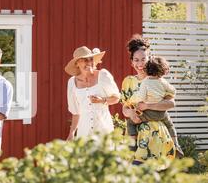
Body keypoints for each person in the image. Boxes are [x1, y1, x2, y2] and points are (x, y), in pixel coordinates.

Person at [121, 35, 177, 165]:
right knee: (133, 178)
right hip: (134, 135)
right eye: (136, 60)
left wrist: (148, 106)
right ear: (132, 62)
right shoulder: (128, 81)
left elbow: (171, 103)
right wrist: (131, 114)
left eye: (143, 59)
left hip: (156, 134)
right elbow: (125, 107)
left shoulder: (157, 80)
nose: (140, 64)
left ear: (149, 59)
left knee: (153, 177)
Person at [65, 46, 120, 140]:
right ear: (77, 63)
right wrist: (72, 133)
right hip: (84, 131)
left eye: (90, 59)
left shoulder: (103, 75)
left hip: (103, 129)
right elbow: (76, 112)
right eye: (84, 60)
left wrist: (102, 100)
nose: (89, 63)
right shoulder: (72, 83)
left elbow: (117, 98)